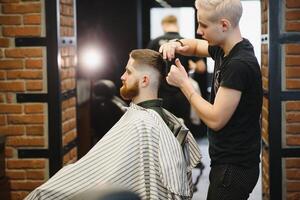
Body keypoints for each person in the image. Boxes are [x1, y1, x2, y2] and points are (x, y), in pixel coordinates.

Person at [25, 49, 201, 200]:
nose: (122, 76)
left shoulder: (144, 124)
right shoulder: (150, 118)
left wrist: (46, 192)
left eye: (129, 72)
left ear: (145, 80)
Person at [159, 0, 263, 199]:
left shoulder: (239, 64)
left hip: (235, 168)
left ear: (224, 25)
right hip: (226, 161)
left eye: (204, 25)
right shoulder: (226, 48)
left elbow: (216, 119)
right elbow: (196, 46)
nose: (199, 30)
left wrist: (184, 84)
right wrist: (177, 43)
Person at [147, 15, 202, 133]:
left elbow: (147, 66)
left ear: (163, 25)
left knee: (163, 127)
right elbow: (202, 68)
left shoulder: (155, 42)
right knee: (183, 129)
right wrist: (194, 65)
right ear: (176, 25)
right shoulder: (184, 42)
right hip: (182, 92)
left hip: (161, 93)